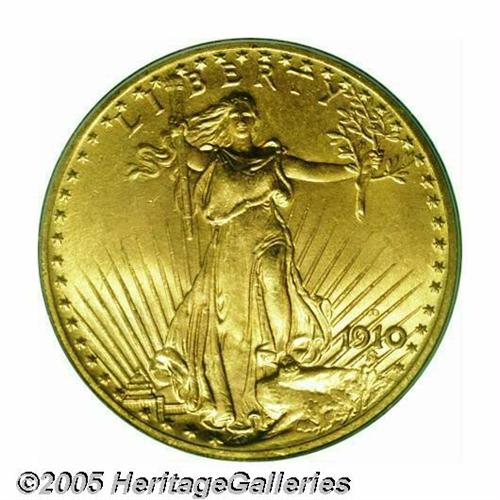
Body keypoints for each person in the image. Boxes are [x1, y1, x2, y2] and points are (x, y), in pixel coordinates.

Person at [138, 91, 377, 436]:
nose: (241, 120)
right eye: (235, 116)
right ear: (226, 123)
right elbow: (188, 156)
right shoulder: (217, 160)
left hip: (269, 235)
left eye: (247, 115)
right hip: (232, 244)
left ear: (255, 121)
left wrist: (353, 170)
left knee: (273, 280)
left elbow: (310, 170)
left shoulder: (272, 160)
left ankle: (282, 352)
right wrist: (179, 136)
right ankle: (238, 388)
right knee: (231, 317)